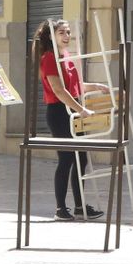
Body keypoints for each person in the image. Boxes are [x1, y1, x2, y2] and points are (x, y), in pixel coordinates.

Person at [37, 19, 106, 221]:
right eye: (61, 33)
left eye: (68, 32)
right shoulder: (49, 58)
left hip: (73, 110)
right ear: (51, 36)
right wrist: (81, 109)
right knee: (66, 159)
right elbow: (59, 90)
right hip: (59, 112)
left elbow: (75, 85)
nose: (66, 36)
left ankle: (79, 206)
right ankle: (60, 208)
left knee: (81, 159)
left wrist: (97, 86)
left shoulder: (66, 56)